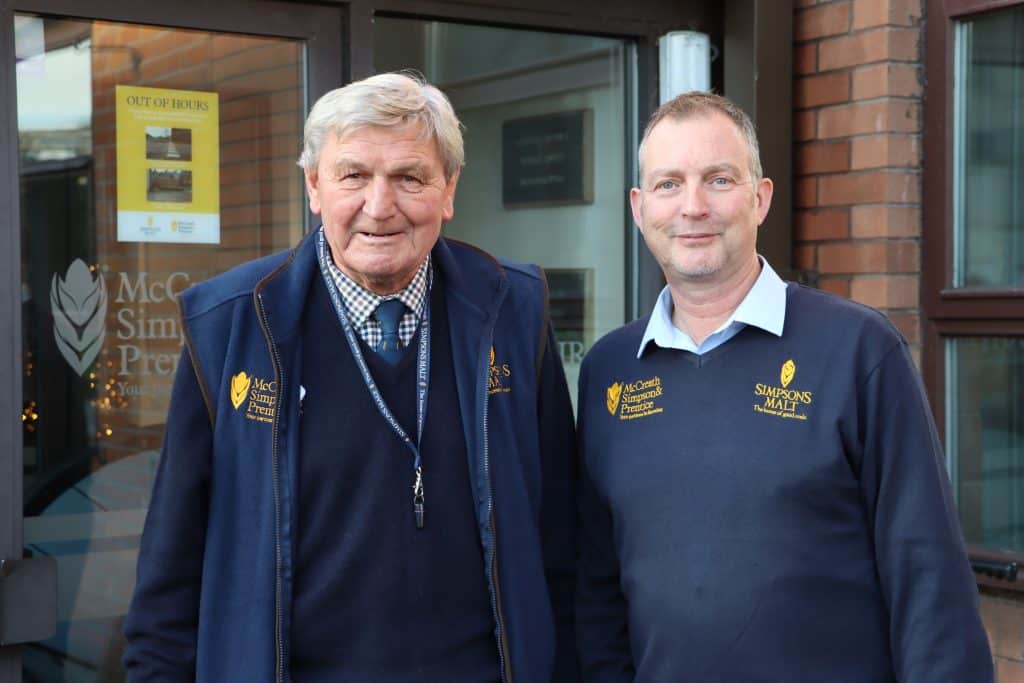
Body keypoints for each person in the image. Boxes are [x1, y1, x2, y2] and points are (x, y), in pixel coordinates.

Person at [123, 72, 577, 682]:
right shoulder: (229, 325)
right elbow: (170, 574)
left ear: (448, 190)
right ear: (314, 186)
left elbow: (564, 543)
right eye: (354, 175)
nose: (379, 206)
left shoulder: (516, 311)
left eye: (409, 177)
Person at [575, 91, 993, 682]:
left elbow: (929, 581)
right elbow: (598, 592)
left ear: (760, 197)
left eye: (718, 179)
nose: (692, 206)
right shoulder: (609, 371)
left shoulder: (858, 350)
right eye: (669, 184)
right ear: (640, 209)